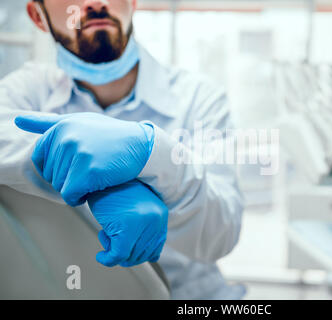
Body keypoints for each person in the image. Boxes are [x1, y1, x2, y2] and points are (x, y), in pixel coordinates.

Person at [0, 0, 245, 299]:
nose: (93, 2)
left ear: (132, 2)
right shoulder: (28, 91)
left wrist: (153, 155)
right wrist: (101, 179)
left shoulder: (199, 99)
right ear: (38, 16)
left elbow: (222, 232)